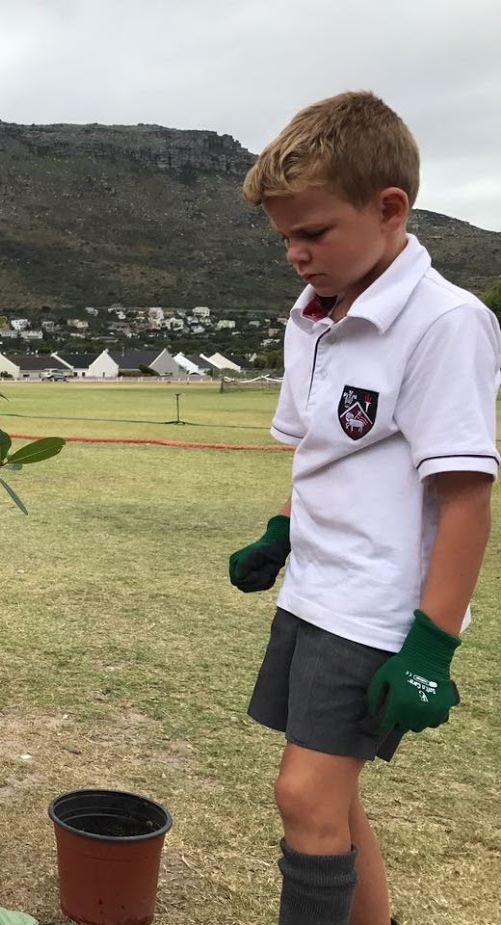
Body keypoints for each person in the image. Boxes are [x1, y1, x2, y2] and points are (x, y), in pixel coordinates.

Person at [228, 90, 499, 925]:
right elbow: (322, 452)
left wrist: (430, 647)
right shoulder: (308, 317)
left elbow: (464, 500)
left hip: (375, 611)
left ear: (389, 209)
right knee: (330, 802)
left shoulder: (446, 324)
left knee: (304, 796)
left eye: (312, 233)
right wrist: (282, 530)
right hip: (312, 591)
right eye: (284, 238)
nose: (295, 255)